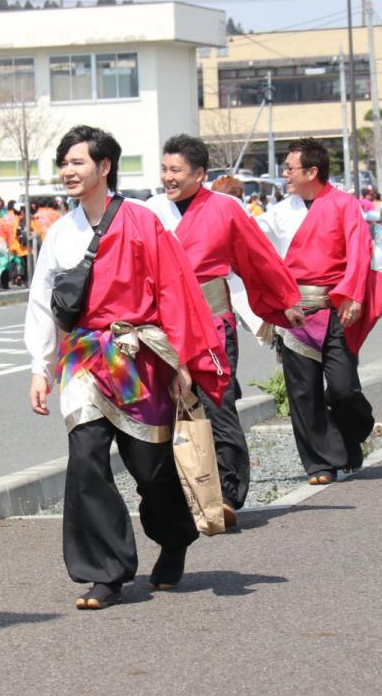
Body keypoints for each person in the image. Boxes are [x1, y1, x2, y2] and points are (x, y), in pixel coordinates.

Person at [26, 125, 229, 610]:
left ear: (104, 166)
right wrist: (41, 365)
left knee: (151, 470)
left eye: (78, 162)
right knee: (86, 462)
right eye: (65, 163)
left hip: (138, 353)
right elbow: (42, 300)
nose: (68, 171)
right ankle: (106, 573)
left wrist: (184, 360)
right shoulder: (59, 231)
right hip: (83, 358)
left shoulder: (142, 222)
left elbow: (175, 289)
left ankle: (175, 537)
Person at [145, 134, 303, 525]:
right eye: (164, 169)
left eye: (176, 170)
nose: (168, 177)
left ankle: (229, 493)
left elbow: (259, 256)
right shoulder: (148, 212)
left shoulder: (226, 209)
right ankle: (181, 491)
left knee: (218, 402)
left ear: (200, 174)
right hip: (162, 326)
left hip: (212, 321)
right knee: (166, 409)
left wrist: (286, 299)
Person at [256, 139, 382, 485]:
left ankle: (352, 434)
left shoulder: (343, 204)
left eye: (290, 168)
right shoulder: (278, 212)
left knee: (343, 388)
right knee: (302, 392)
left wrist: (353, 295)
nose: (285, 174)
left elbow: (359, 248)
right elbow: (252, 243)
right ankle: (319, 463)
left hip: (335, 307)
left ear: (312, 171)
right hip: (295, 311)